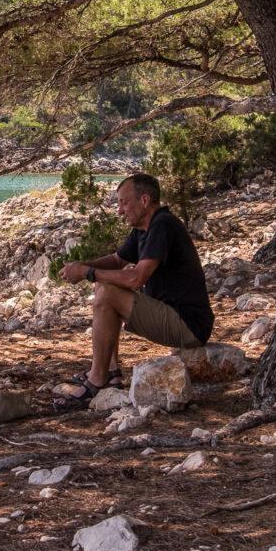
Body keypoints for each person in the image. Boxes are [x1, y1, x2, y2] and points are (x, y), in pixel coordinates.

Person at [55, 173, 214, 408]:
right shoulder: (143, 228)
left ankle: (96, 380)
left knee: (107, 291)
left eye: (124, 203)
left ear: (144, 200)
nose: (120, 211)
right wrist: (82, 266)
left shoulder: (163, 225)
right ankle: (111, 372)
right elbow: (117, 260)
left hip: (188, 325)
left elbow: (136, 278)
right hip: (171, 314)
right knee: (104, 283)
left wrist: (87, 273)